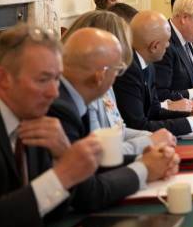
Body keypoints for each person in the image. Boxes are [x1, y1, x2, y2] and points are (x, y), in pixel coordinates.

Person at [48, 28, 180, 213]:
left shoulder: (74, 99)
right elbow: (86, 191)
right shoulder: (61, 108)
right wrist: (145, 168)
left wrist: (148, 159)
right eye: (118, 70)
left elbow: (91, 165)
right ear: (100, 76)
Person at [0, 25, 101, 227]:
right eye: (43, 80)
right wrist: (62, 174)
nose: (54, 93)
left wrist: (62, 158)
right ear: (3, 79)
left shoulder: (39, 119)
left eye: (57, 79)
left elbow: (53, 214)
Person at [62, 11, 174, 155]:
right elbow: (101, 153)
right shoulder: (83, 91)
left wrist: (149, 137)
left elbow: (118, 130)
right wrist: (149, 141)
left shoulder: (104, 83)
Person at [114, 11, 193, 137]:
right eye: (167, 41)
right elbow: (138, 127)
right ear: (154, 46)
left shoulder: (147, 62)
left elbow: (154, 111)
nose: (169, 45)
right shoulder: (127, 71)